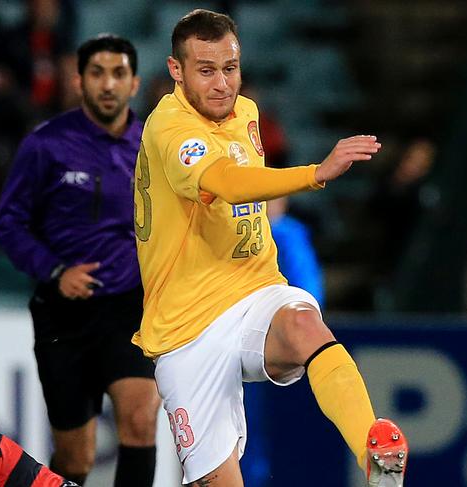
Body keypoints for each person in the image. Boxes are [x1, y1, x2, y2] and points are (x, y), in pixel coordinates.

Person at [132, 9, 408, 487]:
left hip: (253, 290)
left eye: (230, 68)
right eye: (206, 70)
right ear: (176, 71)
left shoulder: (248, 113)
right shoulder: (170, 128)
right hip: (185, 326)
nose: (222, 84)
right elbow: (228, 183)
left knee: (305, 323)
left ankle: (375, 454)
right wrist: (313, 174)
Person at [0, 35, 161, 486]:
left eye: (118, 73)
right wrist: (55, 271)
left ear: (134, 83)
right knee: (76, 460)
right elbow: (8, 224)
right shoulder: (46, 145)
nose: (108, 84)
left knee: (141, 419)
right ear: (78, 81)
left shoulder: (155, 145)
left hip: (131, 307)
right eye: (97, 73)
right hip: (63, 316)